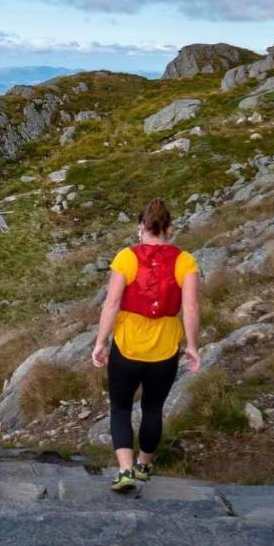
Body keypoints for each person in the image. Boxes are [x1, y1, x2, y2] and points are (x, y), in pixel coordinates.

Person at [91, 198, 202, 492]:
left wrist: (101, 342)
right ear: (170, 229)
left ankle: (125, 470)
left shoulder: (126, 258)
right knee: (153, 409)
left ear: (141, 228)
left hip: (127, 345)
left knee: (121, 408)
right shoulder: (185, 261)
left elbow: (112, 303)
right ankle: (144, 465)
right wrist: (192, 346)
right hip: (165, 348)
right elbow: (190, 308)